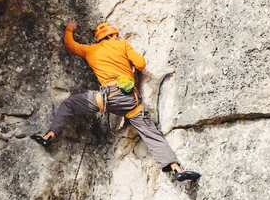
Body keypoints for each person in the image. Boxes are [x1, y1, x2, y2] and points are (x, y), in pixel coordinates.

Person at [31, 19, 200, 182]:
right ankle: (177, 169)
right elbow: (140, 64)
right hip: (129, 101)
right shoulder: (122, 45)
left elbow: (70, 44)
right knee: (152, 134)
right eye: (116, 35)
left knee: (69, 104)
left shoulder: (91, 50)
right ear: (111, 36)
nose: (117, 37)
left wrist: (69, 28)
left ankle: (49, 135)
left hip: (106, 99)